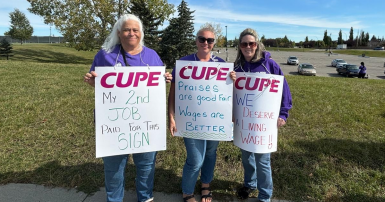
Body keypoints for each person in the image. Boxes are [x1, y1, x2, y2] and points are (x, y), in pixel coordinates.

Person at [83, 14, 172, 202]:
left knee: (146, 165)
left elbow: (156, 86)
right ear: (119, 32)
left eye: (135, 30)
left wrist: (166, 79)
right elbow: (97, 84)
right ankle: (114, 200)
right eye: (127, 29)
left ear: (141, 33)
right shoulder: (105, 55)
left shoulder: (152, 55)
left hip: (145, 123)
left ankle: (145, 197)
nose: (131, 33)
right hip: (114, 124)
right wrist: (92, 82)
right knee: (114, 168)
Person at [168, 27, 235, 202]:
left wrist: (232, 80)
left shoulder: (220, 65)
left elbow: (227, 95)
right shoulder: (184, 63)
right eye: (202, 39)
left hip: (215, 120)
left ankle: (206, 185)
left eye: (210, 40)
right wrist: (171, 117)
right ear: (196, 41)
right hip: (190, 119)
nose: (206, 43)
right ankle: (187, 191)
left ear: (214, 43)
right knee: (195, 159)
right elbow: (173, 93)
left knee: (211, 153)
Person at [234, 28, 292, 202]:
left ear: (257, 45)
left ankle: (265, 195)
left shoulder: (270, 65)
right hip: (244, 122)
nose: (248, 47)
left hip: (263, 124)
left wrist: (283, 113)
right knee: (247, 158)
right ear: (240, 46)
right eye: (244, 44)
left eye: (251, 43)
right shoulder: (238, 67)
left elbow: (284, 90)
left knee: (263, 161)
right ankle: (249, 184)